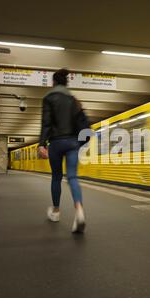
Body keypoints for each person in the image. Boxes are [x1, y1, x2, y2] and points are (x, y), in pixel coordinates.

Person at [38, 69, 86, 233]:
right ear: (66, 83)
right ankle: (79, 210)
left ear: (53, 83)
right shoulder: (73, 100)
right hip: (73, 142)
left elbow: (46, 123)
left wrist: (41, 144)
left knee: (56, 177)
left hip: (56, 143)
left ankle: (56, 212)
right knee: (72, 176)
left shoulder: (49, 98)